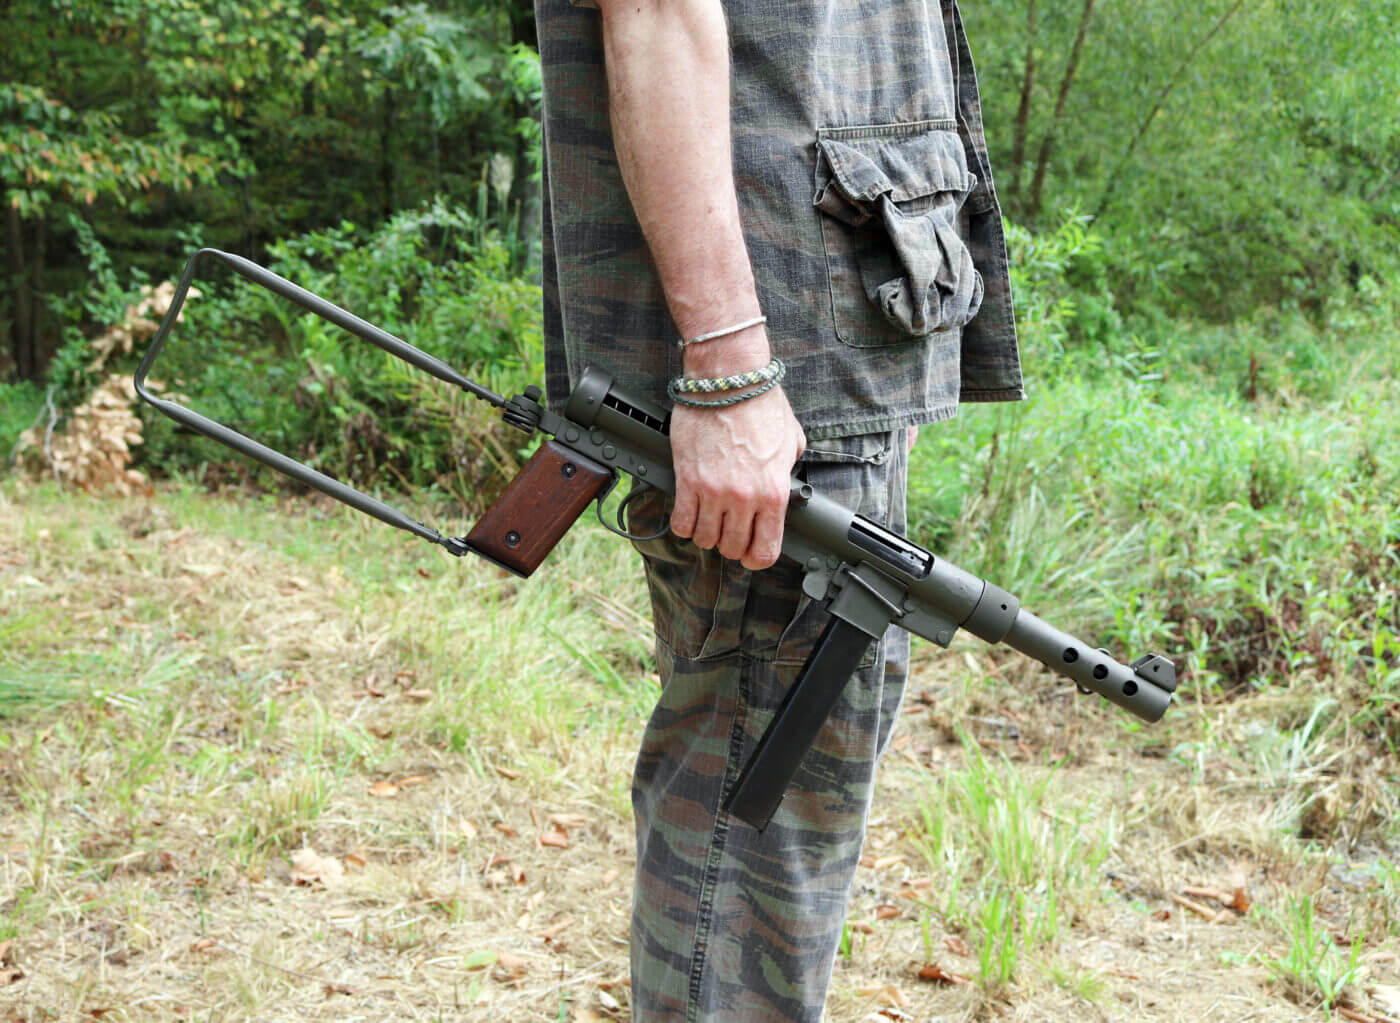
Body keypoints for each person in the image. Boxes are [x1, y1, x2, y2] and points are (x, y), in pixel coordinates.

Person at [535, 0, 1023, 1017]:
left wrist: (882, 380)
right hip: (776, 358)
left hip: (824, 349)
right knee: (751, 825)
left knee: (777, 808)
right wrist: (725, 366)